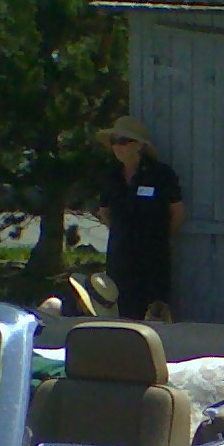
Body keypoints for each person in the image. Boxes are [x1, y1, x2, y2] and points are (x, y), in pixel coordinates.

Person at [96, 115, 185, 322]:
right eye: (114, 141)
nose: (117, 147)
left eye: (123, 141)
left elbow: (178, 212)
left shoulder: (161, 175)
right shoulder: (112, 176)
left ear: (139, 145)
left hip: (153, 261)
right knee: (122, 313)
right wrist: (122, 233)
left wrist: (159, 237)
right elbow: (104, 211)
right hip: (120, 260)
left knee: (155, 315)